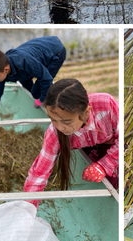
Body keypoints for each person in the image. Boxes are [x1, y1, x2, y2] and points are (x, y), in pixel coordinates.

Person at [24, 79, 119, 207]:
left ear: (86, 112)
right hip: (85, 142)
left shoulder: (106, 105)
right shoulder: (54, 134)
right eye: (53, 120)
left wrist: (104, 165)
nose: (60, 127)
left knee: (113, 179)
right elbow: (40, 172)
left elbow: (124, 138)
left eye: (66, 122)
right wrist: (28, 205)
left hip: (109, 141)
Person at [0, 36, 66, 120]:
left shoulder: (24, 61)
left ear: (6, 69)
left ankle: (60, 105)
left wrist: (42, 99)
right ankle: (38, 96)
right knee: (26, 83)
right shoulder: (1, 67)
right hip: (39, 50)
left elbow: (46, 78)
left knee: (37, 93)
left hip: (56, 51)